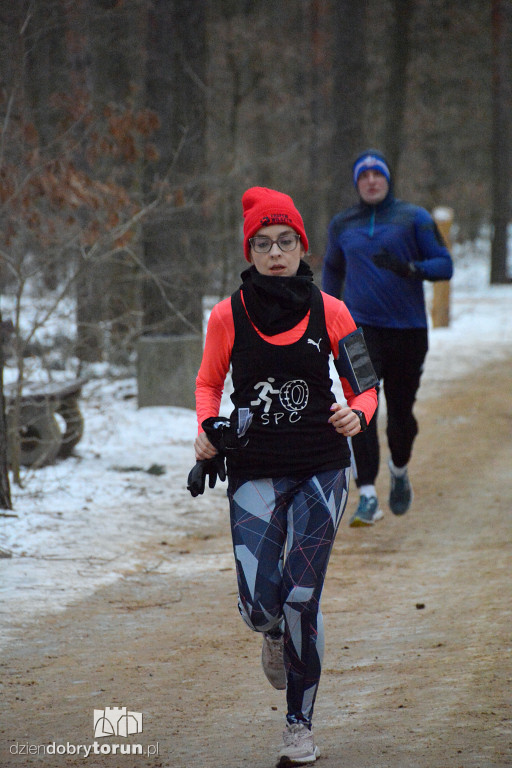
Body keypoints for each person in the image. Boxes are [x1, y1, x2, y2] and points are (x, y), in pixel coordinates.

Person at [188, 186, 378, 765]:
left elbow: (364, 381)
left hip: (321, 466)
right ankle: (271, 633)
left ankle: (299, 724)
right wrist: (205, 429)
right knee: (261, 607)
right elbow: (206, 385)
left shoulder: (331, 309)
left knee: (301, 595)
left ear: (301, 247)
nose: (276, 253)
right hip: (253, 470)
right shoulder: (228, 315)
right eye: (264, 243)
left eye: (286, 242)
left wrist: (358, 412)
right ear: (251, 249)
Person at [322, 149, 453, 527]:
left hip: (408, 331)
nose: (371, 182)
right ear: (356, 183)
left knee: (400, 416)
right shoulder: (343, 223)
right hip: (359, 332)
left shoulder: (414, 218)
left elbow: (444, 266)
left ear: (388, 179)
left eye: (377, 175)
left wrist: (409, 268)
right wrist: (329, 313)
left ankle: (398, 470)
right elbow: (332, 267)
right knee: (360, 407)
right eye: (363, 177)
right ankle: (366, 494)